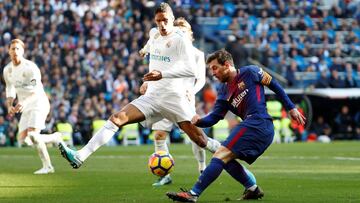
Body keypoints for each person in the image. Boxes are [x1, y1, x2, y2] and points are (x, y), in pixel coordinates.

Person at [58, 3, 220, 169]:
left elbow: (191, 70)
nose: (162, 25)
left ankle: (237, 165)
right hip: (152, 97)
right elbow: (151, 45)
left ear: (171, 19)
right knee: (117, 118)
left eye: (165, 20)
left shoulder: (181, 40)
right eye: (158, 21)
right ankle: (80, 156)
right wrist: (144, 54)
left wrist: (162, 75)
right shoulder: (154, 33)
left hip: (174, 99)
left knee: (200, 140)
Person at [166, 49, 306, 202]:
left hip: (258, 122)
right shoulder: (223, 91)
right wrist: (198, 121)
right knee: (223, 158)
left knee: (220, 154)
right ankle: (253, 189)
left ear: (227, 65)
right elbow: (214, 117)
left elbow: (275, 85)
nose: (212, 73)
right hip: (254, 127)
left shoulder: (251, 72)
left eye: (215, 68)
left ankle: (193, 195)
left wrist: (291, 107)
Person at [139, 17, 207, 186]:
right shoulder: (167, 50)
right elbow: (159, 71)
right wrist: (147, 83)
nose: (180, 34)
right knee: (159, 135)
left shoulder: (197, 55)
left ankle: (202, 168)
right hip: (165, 96)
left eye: (183, 31)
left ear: (190, 34)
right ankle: (164, 175)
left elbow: (201, 79)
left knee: (195, 136)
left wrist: (192, 90)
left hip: (184, 99)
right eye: (178, 31)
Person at [3, 39, 64, 174]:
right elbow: (10, 88)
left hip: (38, 102)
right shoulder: (7, 70)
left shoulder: (30, 67)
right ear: (9, 51)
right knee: (24, 140)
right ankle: (54, 138)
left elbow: (36, 91)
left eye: (18, 49)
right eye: (13, 49)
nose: (15, 51)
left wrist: (24, 102)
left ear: (23, 51)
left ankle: (48, 166)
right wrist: (9, 105)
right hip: (25, 106)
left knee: (33, 135)